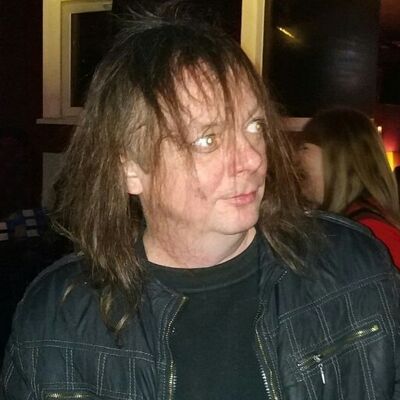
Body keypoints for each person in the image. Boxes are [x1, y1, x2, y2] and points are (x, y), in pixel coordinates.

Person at [1, 7, 400, 400]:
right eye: (208, 139)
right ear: (129, 167)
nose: (251, 158)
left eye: (254, 126)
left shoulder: (352, 266)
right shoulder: (58, 319)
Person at [297, 107, 400, 269]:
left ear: (338, 157)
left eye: (304, 148)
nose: (295, 158)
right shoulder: (351, 227)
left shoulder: (373, 233)